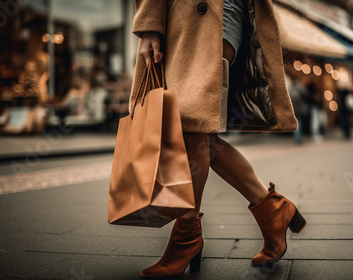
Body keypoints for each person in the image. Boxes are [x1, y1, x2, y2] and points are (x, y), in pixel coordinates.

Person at [130, 1, 306, 278]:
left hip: (210, 11)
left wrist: (149, 23)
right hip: (180, 14)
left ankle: (186, 238)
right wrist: (150, 23)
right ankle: (273, 210)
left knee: (192, 124)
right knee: (198, 133)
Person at [286, 75, 308, 144]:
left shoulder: (290, 90)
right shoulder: (300, 89)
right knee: (299, 123)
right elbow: (306, 95)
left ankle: (297, 137)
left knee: (296, 124)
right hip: (299, 110)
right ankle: (298, 138)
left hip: (293, 110)